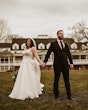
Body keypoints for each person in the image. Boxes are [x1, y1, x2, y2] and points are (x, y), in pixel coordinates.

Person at [43, 30, 74, 100]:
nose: (62, 35)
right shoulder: (53, 44)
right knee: (56, 80)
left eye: (63, 34)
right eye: (60, 34)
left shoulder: (65, 44)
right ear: (57, 35)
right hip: (57, 65)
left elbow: (69, 54)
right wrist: (45, 62)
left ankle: (69, 95)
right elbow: (48, 53)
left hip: (65, 65)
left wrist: (71, 63)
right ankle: (56, 94)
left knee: (67, 80)